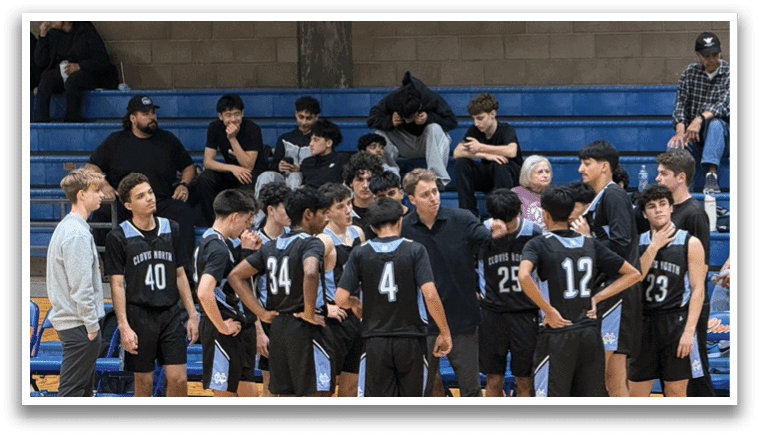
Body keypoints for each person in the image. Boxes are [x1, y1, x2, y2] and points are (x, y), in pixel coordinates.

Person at [517, 185, 642, 397]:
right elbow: (633, 274)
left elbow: (523, 276)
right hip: (589, 334)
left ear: (545, 214)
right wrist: (597, 297)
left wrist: (547, 310)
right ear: (571, 212)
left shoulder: (538, 243)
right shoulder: (589, 243)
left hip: (558, 334)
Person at [335, 197, 452, 397]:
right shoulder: (415, 249)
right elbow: (430, 294)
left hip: (375, 340)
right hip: (411, 339)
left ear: (371, 227)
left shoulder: (360, 252)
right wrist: (445, 332)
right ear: (400, 221)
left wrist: (354, 303)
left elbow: (340, 298)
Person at [227, 186, 335, 397]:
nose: (326, 220)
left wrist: (262, 313)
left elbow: (235, 276)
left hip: (278, 328)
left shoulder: (272, 246)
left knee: (284, 395)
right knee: (317, 394)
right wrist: (310, 313)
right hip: (305, 329)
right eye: (323, 213)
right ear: (308, 214)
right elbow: (311, 272)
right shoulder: (311, 242)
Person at [400, 168, 497, 397]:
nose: (433, 197)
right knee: (420, 391)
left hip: (461, 320)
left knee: (471, 389)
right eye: (425, 194)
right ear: (411, 199)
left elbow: (489, 243)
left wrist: (498, 231)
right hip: (421, 324)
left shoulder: (462, 219)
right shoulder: (403, 228)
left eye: (435, 191)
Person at [103, 172, 200, 397]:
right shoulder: (118, 237)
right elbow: (117, 285)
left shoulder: (172, 228)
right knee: (143, 382)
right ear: (128, 204)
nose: (149, 198)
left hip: (171, 315)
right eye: (141, 196)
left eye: (150, 192)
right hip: (139, 315)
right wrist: (124, 326)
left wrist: (193, 314)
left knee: (179, 379)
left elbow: (180, 275)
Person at [85, 94, 198, 264]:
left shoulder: (167, 139)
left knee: (185, 214)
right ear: (132, 118)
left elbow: (189, 167)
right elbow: (91, 167)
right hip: (126, 204)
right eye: (145, 114)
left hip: (159, 201)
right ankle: (113, 269)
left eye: (153, 113)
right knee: (102, 214)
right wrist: (105, 184)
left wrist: (184, 184)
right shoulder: (116, 140)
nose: (152, 117)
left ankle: (183, 272)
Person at [575, 140, 642, 397]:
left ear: (605, 167)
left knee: (609, 377)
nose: (581, 168)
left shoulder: (613, 195)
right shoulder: (601, 197)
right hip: (610, 291)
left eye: (587, 163)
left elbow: (621, 245)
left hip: (617, 293)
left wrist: (590, 240)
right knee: (609, 377)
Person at [629, 185, 706, 397]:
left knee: (675, 391)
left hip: (676, 323)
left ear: (671, 207)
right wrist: (654, 247)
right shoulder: (638, 243)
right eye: (652, 206)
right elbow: (634, 279)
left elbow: (698, 290)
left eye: (663, 204)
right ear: (644, 213)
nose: (658, 210)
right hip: (643, 324)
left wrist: (689, 331)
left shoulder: (691, 243)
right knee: (635, 393)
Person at [652, 147, 715, 396]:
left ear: (680, 177)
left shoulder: (695, 213)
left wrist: (690, 317)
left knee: (696, 372)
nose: (657, 178)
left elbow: (703, 266)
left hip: (689, 304)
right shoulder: (663, 210)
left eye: (663, 173)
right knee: (673, 373)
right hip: (668, 305)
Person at [193, 189, 261, 397]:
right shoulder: (218, 249)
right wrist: (221, 327)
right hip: (222, 329)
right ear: (234, 217)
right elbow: (204, 292)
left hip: (229, 328)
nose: (247, 226)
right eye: (246, 221)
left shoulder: (211, 240)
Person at [45, 168, 107, 396]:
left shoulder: (70, 227)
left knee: (81, 392)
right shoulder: (76, 234)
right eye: (96, 190)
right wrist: (92, 327)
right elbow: (81, 288)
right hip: (79, 326)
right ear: (82, 194)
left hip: (76, 325)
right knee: (72, 393)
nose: (101, 194)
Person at [476, 189, 543, 397]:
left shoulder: (534, 232)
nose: (506, 227)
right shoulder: (481, 233)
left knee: (525, 379)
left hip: (525, 313)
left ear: (519, 212)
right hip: (492, 314)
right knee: (493, 378)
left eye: (511, 221)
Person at [316, 182, 367, 396]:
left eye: (349, 204)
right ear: (326, 213)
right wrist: (323, 308)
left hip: (357, 318)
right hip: (333, 321)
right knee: (327, 387)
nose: (348, 210)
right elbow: (302, 279)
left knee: (352, 386)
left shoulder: (358, 233)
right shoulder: (323, 240)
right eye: (341, 206)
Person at [367, 71, 458, 187]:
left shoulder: (429, 97)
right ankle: (390, 177)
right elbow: (371, 120)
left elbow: (452, 122)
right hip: (403, 143)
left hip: (426, 144)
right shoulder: (392, 99)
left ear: (419, 107)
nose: (407, 121)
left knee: (434, 128)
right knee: (379, 134)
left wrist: (430, 118)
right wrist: (389, 121)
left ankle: (436, 179)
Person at [191, 93, 268, 227]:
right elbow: (208, 162)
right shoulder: (214, 127)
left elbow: (248, 165)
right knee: (205, 178)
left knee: (247, 178)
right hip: (233, 171)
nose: (233, 119)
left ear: (242, 114)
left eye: (237, 114)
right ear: (220, 116)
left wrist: (232, 139)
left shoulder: (252, 129)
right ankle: (213, 224)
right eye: (228, 115)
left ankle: (242, 225)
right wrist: (233, 168)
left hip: (253, 174)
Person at [666, 32, 729, 193]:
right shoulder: (690, 72)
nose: (712, 59)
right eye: (706, 56)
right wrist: (680, 131)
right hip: (694, 136)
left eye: (715, 54)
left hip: (723, 137)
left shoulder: (731, 73)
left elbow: (724, 105)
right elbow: (680, 103)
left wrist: (699, 119)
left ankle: (711, 176)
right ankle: (680, 192)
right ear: (698, 56)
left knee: (715, 124)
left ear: (720, 52)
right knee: (675, 144)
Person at [250, 181, 292, 397]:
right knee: (270, 384)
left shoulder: (296, 239)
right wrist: (258, 331)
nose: (290, 211)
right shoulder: (254, 242)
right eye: (286, 206)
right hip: (268, 320)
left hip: (293, 319)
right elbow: (250, 291)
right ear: (271, 210)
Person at [453, 93, 524, 217]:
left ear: (492, 114)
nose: (476, 123)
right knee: (461, 163)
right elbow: (457, 153)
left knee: (500, 164)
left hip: (509, 176)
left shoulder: (505, 129)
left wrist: (480, 147)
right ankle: (468, 216)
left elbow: (511, 151)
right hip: (489, 176)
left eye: (480, 118)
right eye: (474, 119)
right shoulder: (474, 130)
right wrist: (485, 155)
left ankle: (500, 214)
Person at [32, 21, 118, 122]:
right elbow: (40, 62)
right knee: (47, 79)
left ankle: (72, 120)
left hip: (87, 72)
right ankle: (40, 123)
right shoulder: (53, 34)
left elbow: (102, 60)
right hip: (63, 72)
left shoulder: (85, 30)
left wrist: (79, 66)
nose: (50, 20)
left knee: (74, 80)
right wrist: (43, 36)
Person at [255, 96, 321, 193]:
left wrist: (300, 168)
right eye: (301, 117)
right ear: (296, 115)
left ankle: (292, 207)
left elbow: (325, 165)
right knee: (265, 176)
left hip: (309, 182)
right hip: (284, 179)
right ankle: (261, 207)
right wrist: (279, 166)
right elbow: (274, 165)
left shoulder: (321, 140)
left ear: (316, 118)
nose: (304, 122)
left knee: (295, 176)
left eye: (309, 118)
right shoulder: (285, 138)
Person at [300, 118, 351, 189]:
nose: (310, 144)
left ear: (329, 143)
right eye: (310, 139)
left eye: (316, 140)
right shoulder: (307, 163)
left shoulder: (342, 160)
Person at [342, 151, 384, 228]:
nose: (365, 185)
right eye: (360, 180)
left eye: (369, 180)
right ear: (351, 182)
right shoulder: (342, 212)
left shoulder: (385, 210)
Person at [511, 155, 552, 231]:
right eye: (540, 172)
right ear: (528, 174)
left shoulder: (554, 194)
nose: (545, 175)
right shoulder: (516, 193)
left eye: (547, 171)